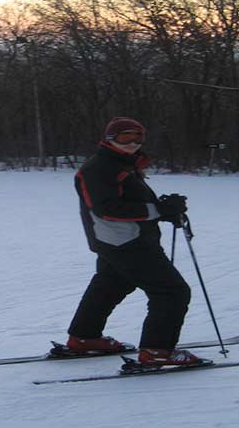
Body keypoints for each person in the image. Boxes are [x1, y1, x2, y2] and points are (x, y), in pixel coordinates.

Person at [63, 117, 202, 367]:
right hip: (126, 242)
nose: (133, 143)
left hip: (118, 240)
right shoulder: (99, 168)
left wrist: (165, 209)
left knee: (111, 285)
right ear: (109, 138)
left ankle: (84, 338)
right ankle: (158, 351)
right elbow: (106, 208)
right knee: (171, 291)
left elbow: (130, 201)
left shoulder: (122, 164)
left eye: (138, 138)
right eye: (126, 137)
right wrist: (158, 210)